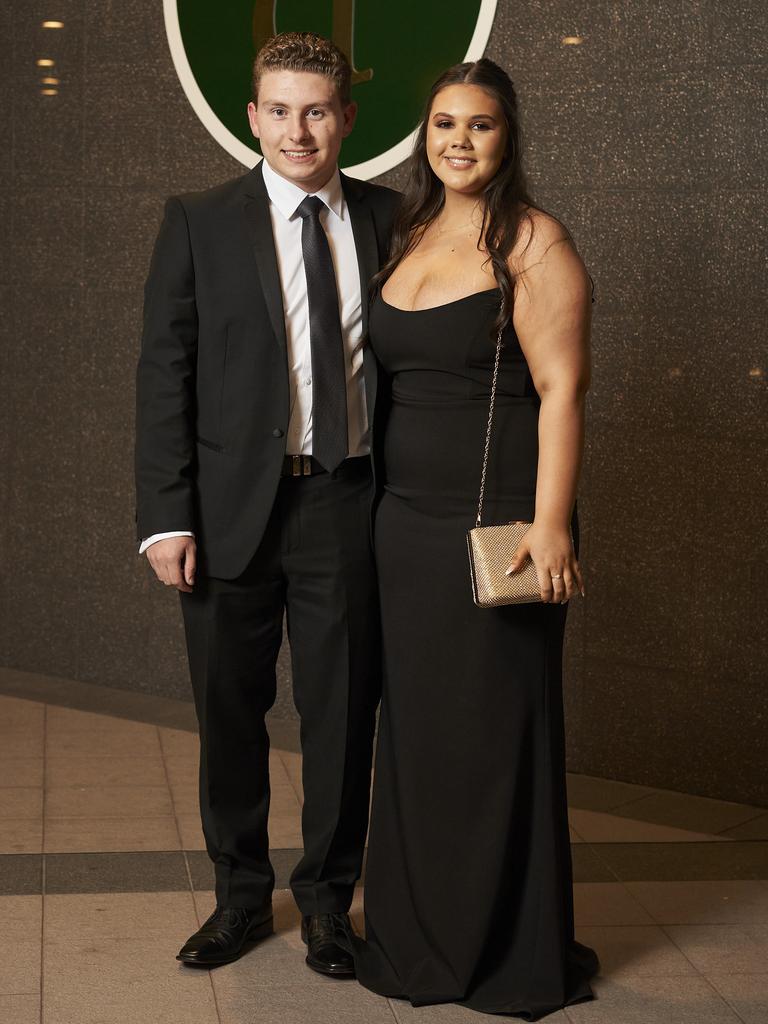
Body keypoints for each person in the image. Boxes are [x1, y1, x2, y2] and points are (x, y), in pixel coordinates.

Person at [134, 32, 399, 976]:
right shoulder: (200, 220)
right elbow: (164, 373)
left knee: (340, 715)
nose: (298, 130)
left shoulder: (390, 220)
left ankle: (329, 903)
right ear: (252, 117)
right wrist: (166, 516)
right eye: (279, 110)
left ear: (347, 118)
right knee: (230, 715)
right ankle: (240, 900)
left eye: (317, 110)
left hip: (347, 505)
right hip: (225, 513)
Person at [347, 59, 599, 1019]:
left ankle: (499, 948)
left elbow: (563, 391)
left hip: (498, 525)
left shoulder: (536, 243)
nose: (458, 140)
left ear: (509, 138)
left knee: (492, 740)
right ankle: (415, 934)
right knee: (416, 737)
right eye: (444, 122)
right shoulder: (406, 236)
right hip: (401, 528)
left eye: (481, 125)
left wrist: (553, 523)